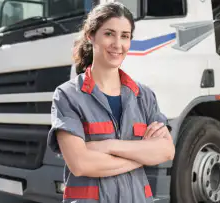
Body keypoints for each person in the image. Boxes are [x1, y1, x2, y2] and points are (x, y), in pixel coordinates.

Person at [47, 2, 175, 203]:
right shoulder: (68, 96)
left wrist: (108, 145)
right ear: (91, 36)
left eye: (125, 36)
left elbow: (166, 151)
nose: (118, 44)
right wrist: (141, 154)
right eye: (109, 34)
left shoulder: (144, 96)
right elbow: (80, 164)